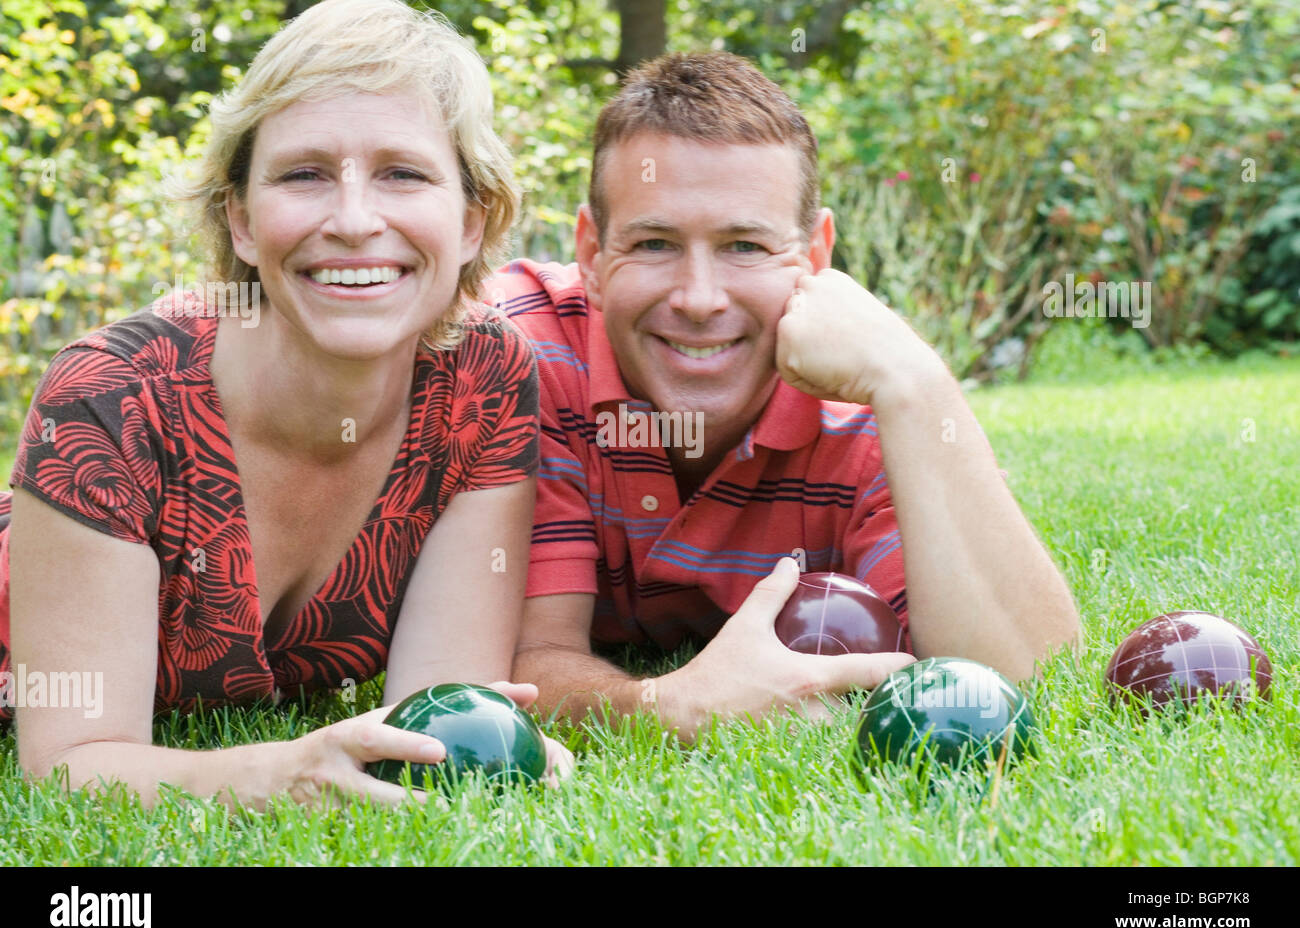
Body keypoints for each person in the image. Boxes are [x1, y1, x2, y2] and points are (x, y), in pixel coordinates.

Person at [0, 0, 571, 808]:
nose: (353, 220)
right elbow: (70, 766)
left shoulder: (483, 375)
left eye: (403, 173)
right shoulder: (112, 394)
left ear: (473, 221)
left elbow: (436, 714)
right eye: (304, 174)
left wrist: (477, 748)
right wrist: (283, 774)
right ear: (239, 219)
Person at [490, 52, 1080, 738]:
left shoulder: (869, 403)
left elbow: (1024, 676)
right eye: (654, 244)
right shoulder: (521, 356)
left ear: (815, 257)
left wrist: (915, 382)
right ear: (591, 254)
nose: (700, 299)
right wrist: (666, 708)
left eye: (744, 245)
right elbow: (528, 658)